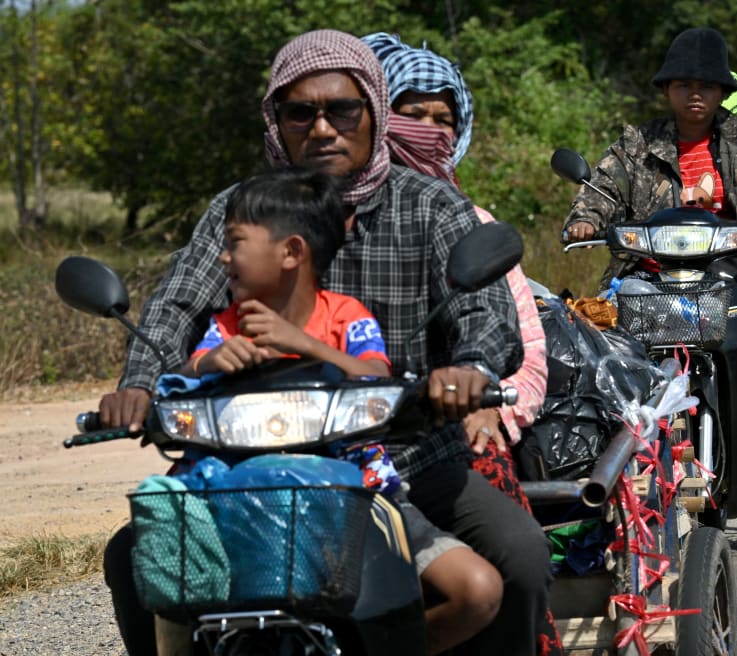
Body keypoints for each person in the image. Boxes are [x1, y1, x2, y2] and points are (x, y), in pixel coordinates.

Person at [98, 29, 550, 656]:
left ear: (374, 113)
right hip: (248, 466)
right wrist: (140, 384)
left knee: (520, 559)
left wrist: (468, 372)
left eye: (342, 109)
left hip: (402, 463)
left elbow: (485, 313)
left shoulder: (430, 206)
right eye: (300, 113)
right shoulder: (242, 210)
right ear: (275, 123)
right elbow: (177, 302)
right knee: (132, 556)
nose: (323, 128)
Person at [182, 166, 502, 654]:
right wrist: (210, 361)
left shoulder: (346, 316)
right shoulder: (230, 324)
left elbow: (375, 374)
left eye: (235, 243)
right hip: (250, 498)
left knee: (477, 590)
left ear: (291, 252)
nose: (223, 257)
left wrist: (305, 344)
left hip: (360, 493)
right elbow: (190, 367)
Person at [562, 27, 737, 499]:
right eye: (685, 85)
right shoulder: (636, 143)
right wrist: (585, 221)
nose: (696, 94)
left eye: (707, 86)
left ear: (721, 93)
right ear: (668, 90)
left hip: (735, 277)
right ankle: (610, 448)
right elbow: (599, 194)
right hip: (647, 278)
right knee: (588, 340)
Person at [364, 32, 562, 655]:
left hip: (434, 439)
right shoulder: (306, 210)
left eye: (441, 120)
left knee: (520, 556)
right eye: (409, 114)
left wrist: (484, 394)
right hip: (322, 440)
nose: (427, 133)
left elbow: (518, 339)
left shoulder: (466, 220)